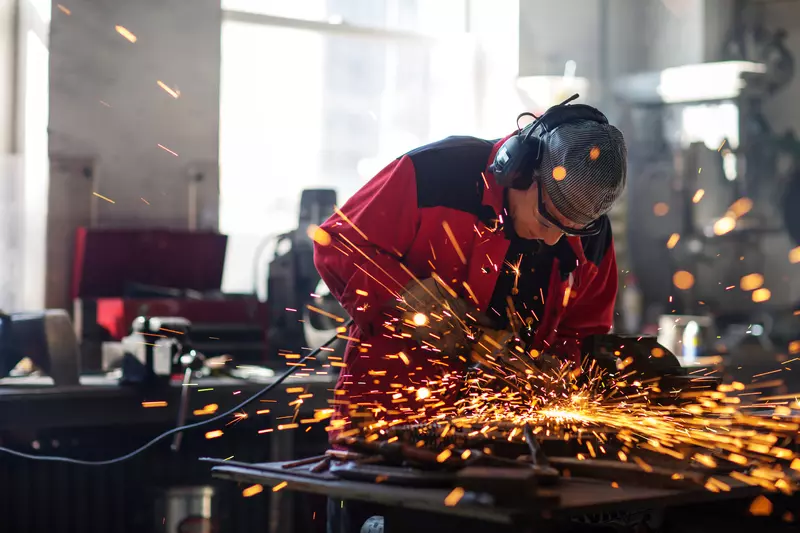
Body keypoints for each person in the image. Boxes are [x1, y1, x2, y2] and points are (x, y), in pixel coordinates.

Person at [314, 96, 627, 532]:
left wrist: (557, 371)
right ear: (518, 168)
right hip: (388, 445)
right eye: (546, 218)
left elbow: (584, 327)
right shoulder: (438, 175)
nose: (555, 240)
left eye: (569, 229)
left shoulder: (588, 233)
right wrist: (410, 298)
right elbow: (337, 244)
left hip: (503, 464)